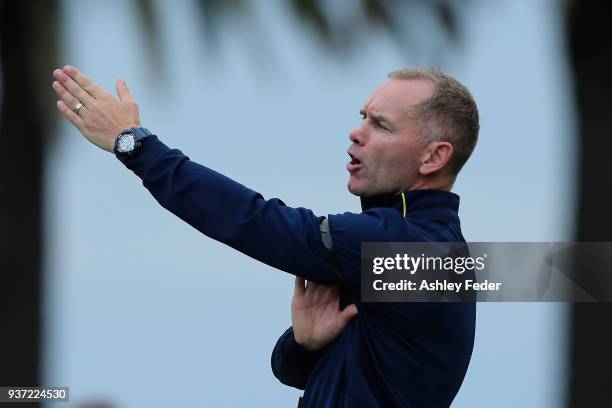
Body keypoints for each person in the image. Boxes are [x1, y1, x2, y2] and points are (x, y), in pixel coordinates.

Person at [52, 65, 479, 407]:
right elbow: (297, 372)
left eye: (381, 125)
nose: (357, 132)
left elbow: (253, 220)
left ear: (434, 156)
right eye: (362, 117)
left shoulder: (410, 248)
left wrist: (136, 146)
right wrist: (304, 346)